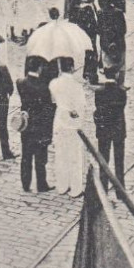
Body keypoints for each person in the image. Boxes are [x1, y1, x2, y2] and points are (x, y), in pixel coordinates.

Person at [16, 57, 54, 193]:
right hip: (39, 126)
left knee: (26, 155)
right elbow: (49, 108)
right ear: (39, 68)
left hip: (26, 125)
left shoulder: (20, 82)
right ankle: (41, 184)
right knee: (40, 157)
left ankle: (25, 184)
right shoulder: (43, 87)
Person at [49, 56, 86, 196]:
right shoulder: (77, 86)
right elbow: (82, 105)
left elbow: (54, 100)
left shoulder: (54, 83)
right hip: (72, 124)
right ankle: (75, 189)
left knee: (60, 155)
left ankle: (62, 186)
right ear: (72, 68)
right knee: (75, 157)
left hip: (59, 122)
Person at [93, 65, 127, 190]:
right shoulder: (121, 92)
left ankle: (103, 187)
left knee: (103, 161)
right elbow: (121, 108)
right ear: (116, 75)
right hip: (118, 130)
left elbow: (98, 109)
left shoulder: (99, 92)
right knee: (119, 162)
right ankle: (120, 190)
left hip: (104, 130)